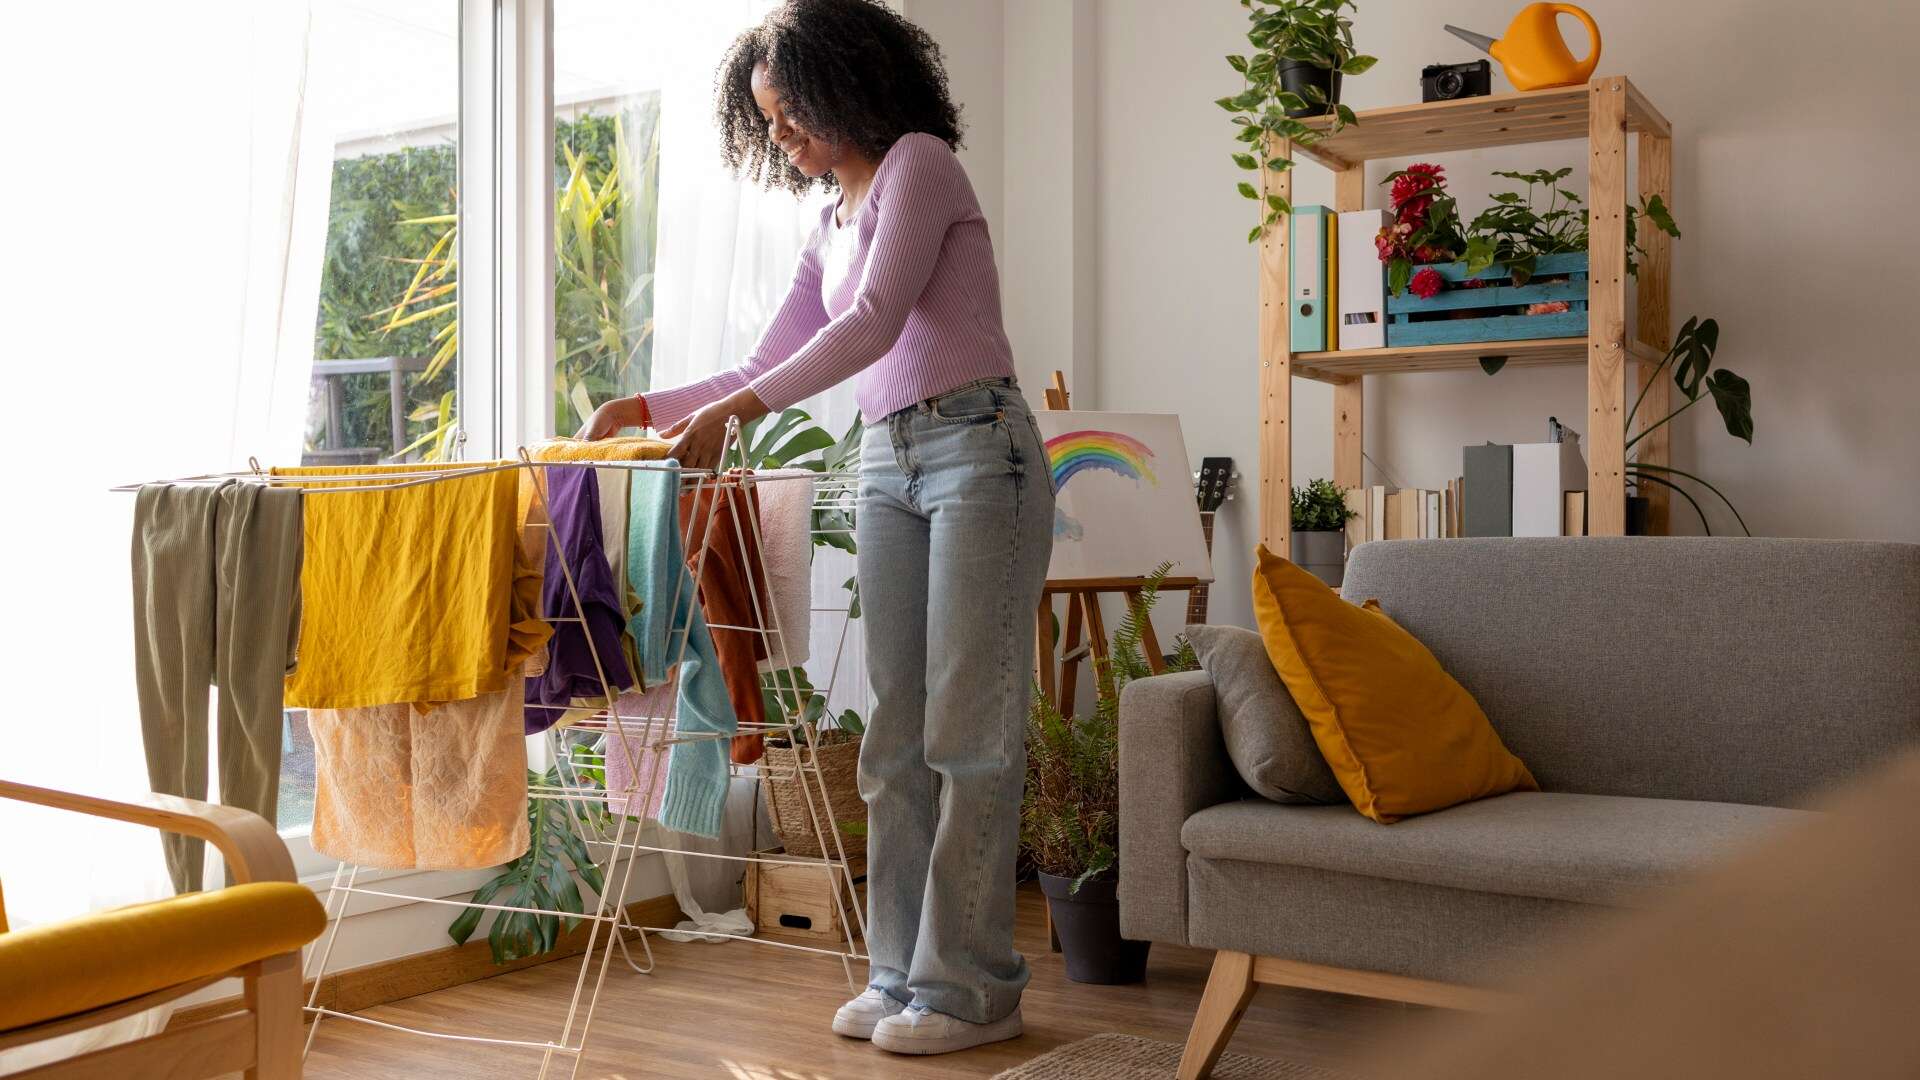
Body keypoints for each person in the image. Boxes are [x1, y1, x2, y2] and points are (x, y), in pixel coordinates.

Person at [578, 0, 1053, 1058]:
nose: (783, 133)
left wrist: (728, 420)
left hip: (983, 450)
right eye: (769, 118)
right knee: (894, 738)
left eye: (793, 110)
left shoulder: (921, 166)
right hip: (886, 458)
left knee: (967, 737)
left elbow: (874, 323)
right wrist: (648, 409)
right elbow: (759, 365)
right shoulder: (828, 222)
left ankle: (973, 988)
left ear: (852, 82)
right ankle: (899, 978)